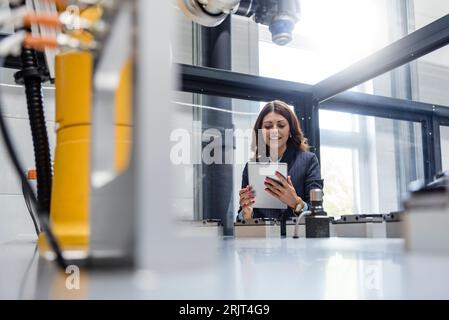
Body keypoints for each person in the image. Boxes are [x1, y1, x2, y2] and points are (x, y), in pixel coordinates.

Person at [238, 100, 322, 221]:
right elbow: (242, 219)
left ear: (291, 130)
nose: (274, 131)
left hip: (297, 237)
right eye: (268, 126)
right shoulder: (251, 167)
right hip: (262, 238)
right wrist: (246, 214)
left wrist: (296, 203)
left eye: (281, 125)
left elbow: (318, 214)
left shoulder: (308, 161)